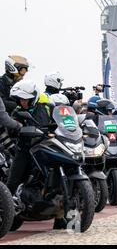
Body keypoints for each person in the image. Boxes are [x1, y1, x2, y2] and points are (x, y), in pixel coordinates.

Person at [6, 80, 67, 229]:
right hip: (26, 149)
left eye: (25, 99)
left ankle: (60, 218)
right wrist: (19, 130)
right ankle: (6, 211)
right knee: (13, 179)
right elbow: (12, 129)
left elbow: (60, 122)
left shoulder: (48, 107)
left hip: (47, 147)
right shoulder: (17, 112)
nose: (22, 102)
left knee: (57, 182)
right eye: (20, 99)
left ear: (32, 98)